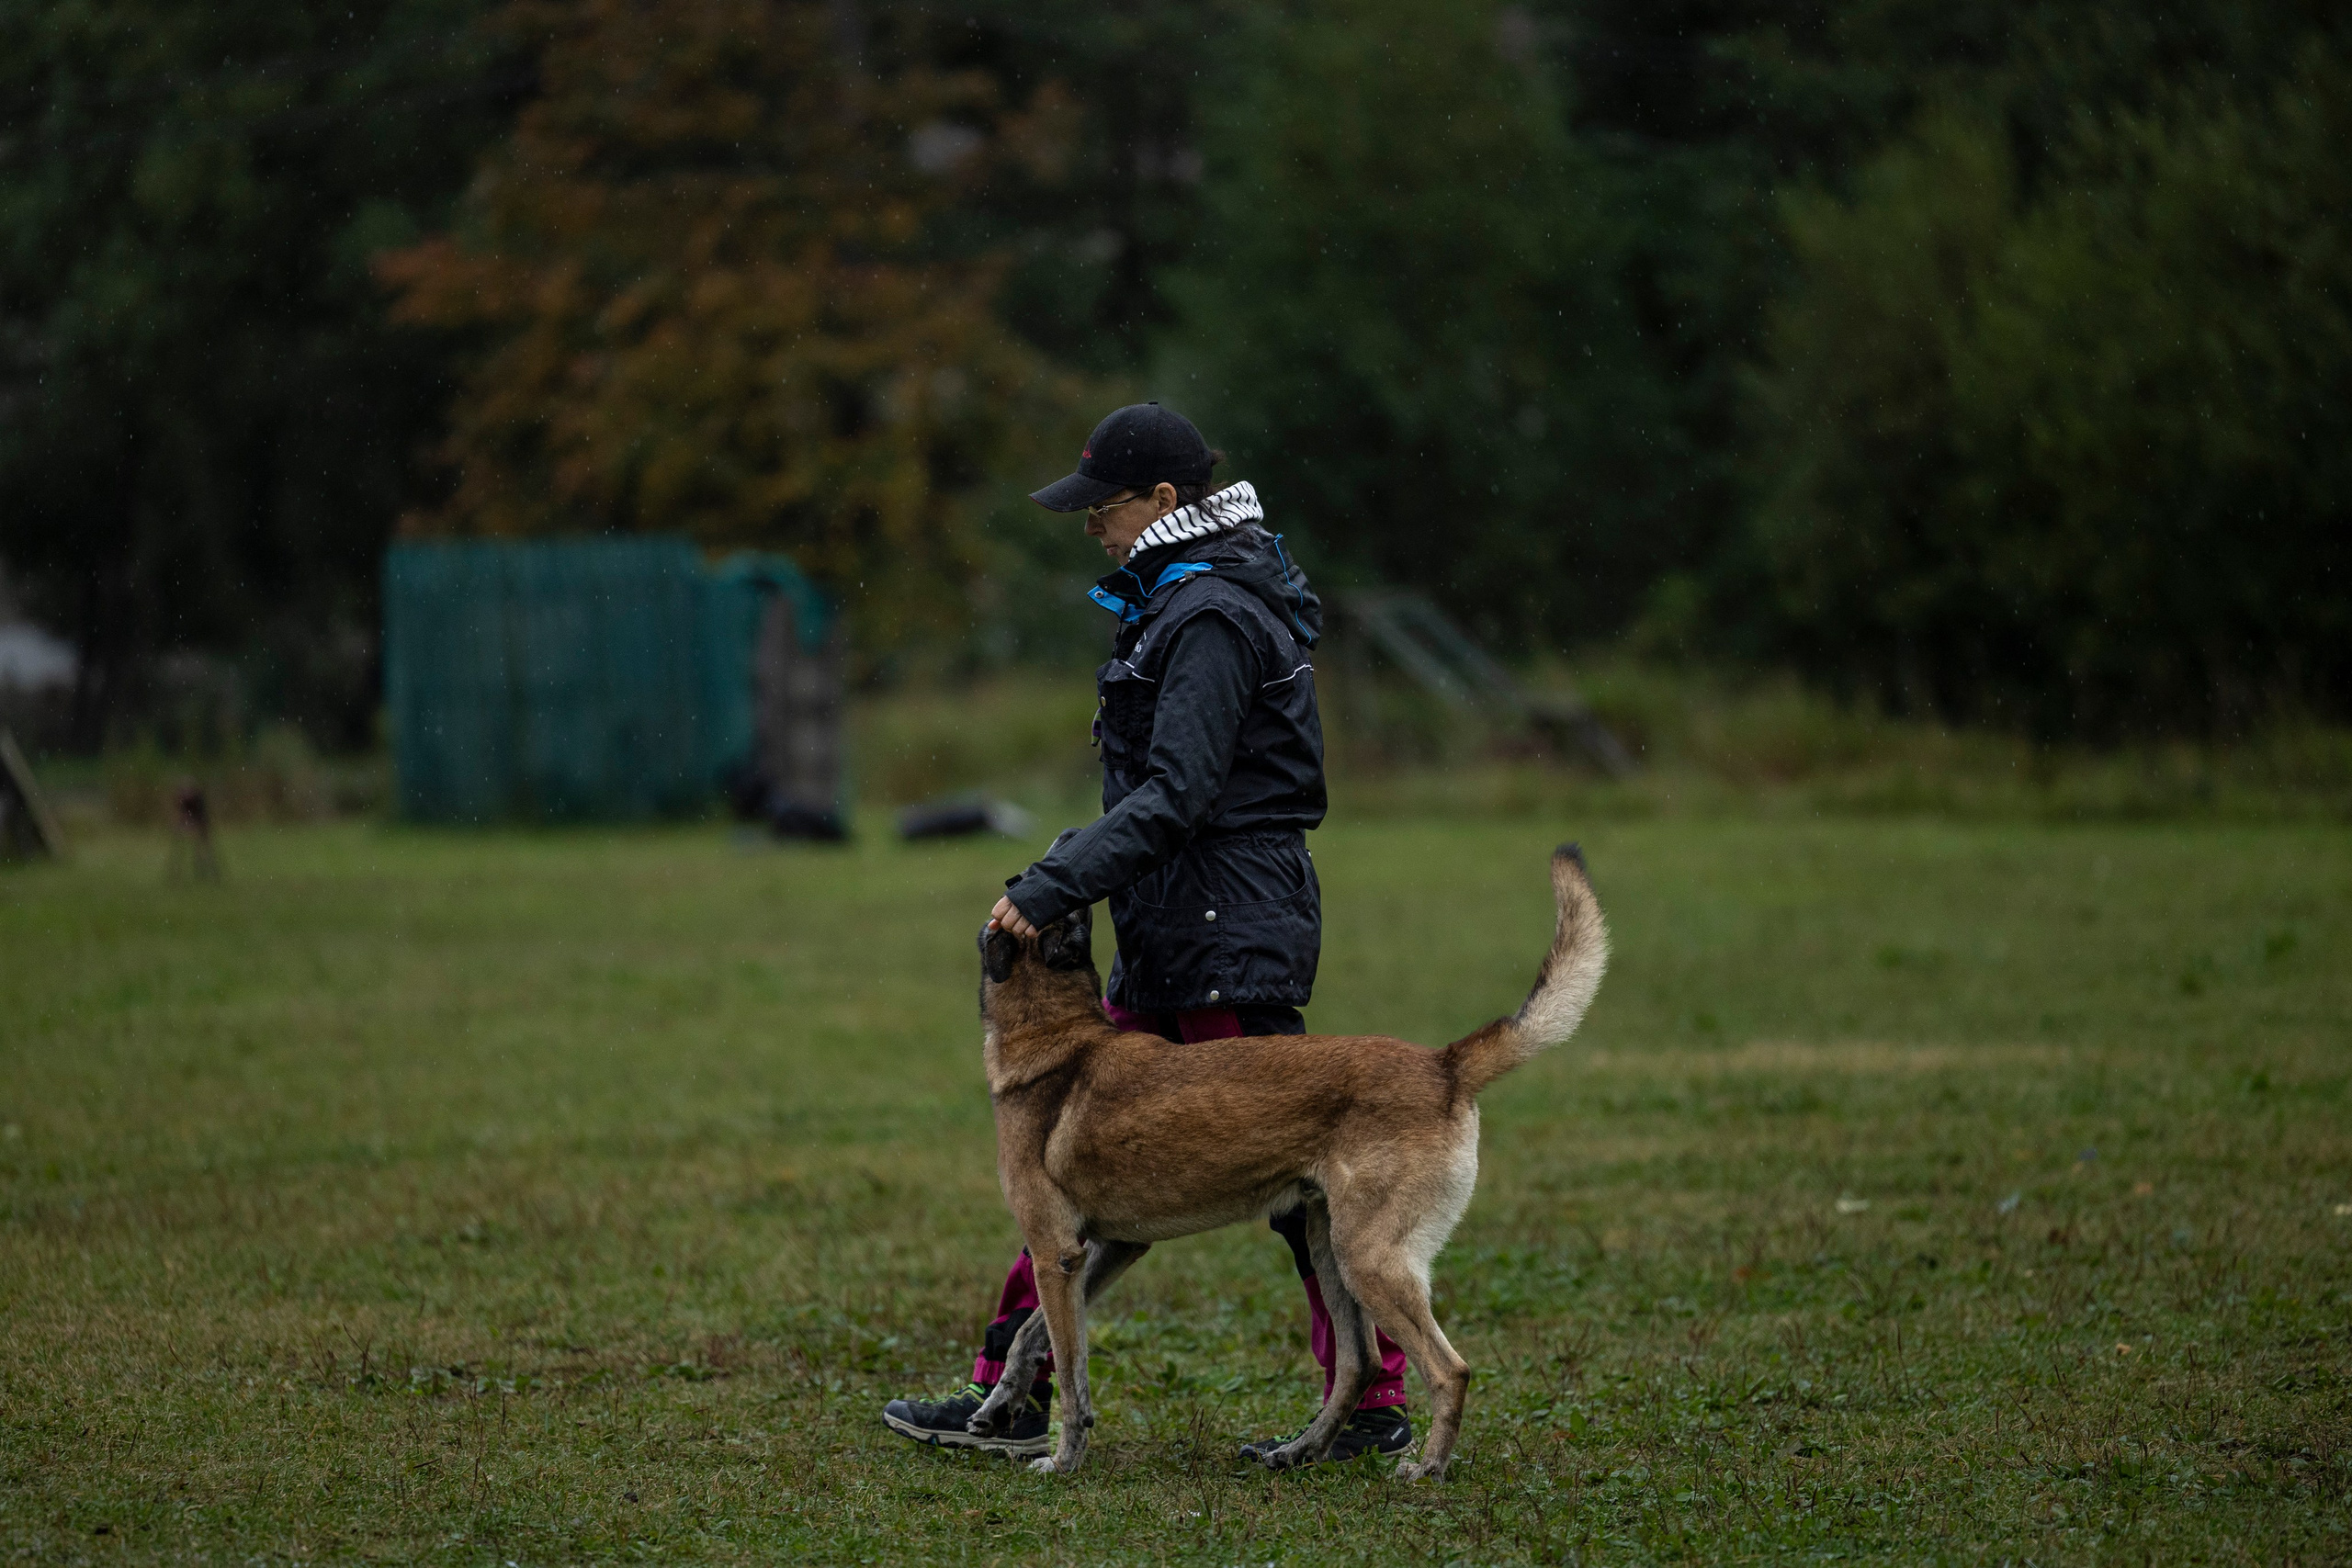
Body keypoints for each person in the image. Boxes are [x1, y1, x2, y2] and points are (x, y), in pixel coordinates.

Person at [879, 402, 1413, 1464]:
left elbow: (1177, 794)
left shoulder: (1210, 613)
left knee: (1305, 1175)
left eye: (1104, 508)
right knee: (1060, 1167)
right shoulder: (1174, 600)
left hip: (1229, 924)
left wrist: (1051, 883)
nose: (1092, 528)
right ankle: (1007, 1391)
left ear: (1165, 503)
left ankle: (1375, 1399)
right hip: (1176, 921)